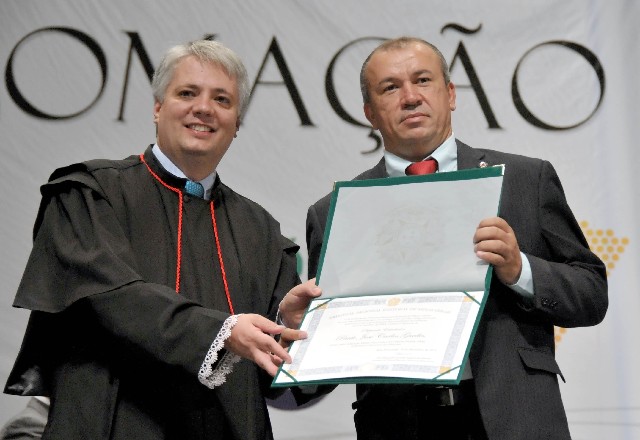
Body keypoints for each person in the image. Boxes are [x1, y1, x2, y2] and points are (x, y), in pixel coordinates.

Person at [3, 39, 320, 440]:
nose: (203, 108)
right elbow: (112, 299)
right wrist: (223, 331)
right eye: (187, 93)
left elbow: (284, 376)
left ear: (237, 122)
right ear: (157, 108)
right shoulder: (89, 194)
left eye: (222, 99)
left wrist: (289, 326)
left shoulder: (261, 230)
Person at [299, 37, 608, 440]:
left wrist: (520, 270)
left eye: (422, 80)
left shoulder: (524, 180)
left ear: (450, 94)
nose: (411, 97)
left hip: (514, 419)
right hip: (398, 425)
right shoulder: (335, 211)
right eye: (390, 87)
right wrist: (308, 329)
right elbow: (326, 344)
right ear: (370, 113)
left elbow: (591, 294)